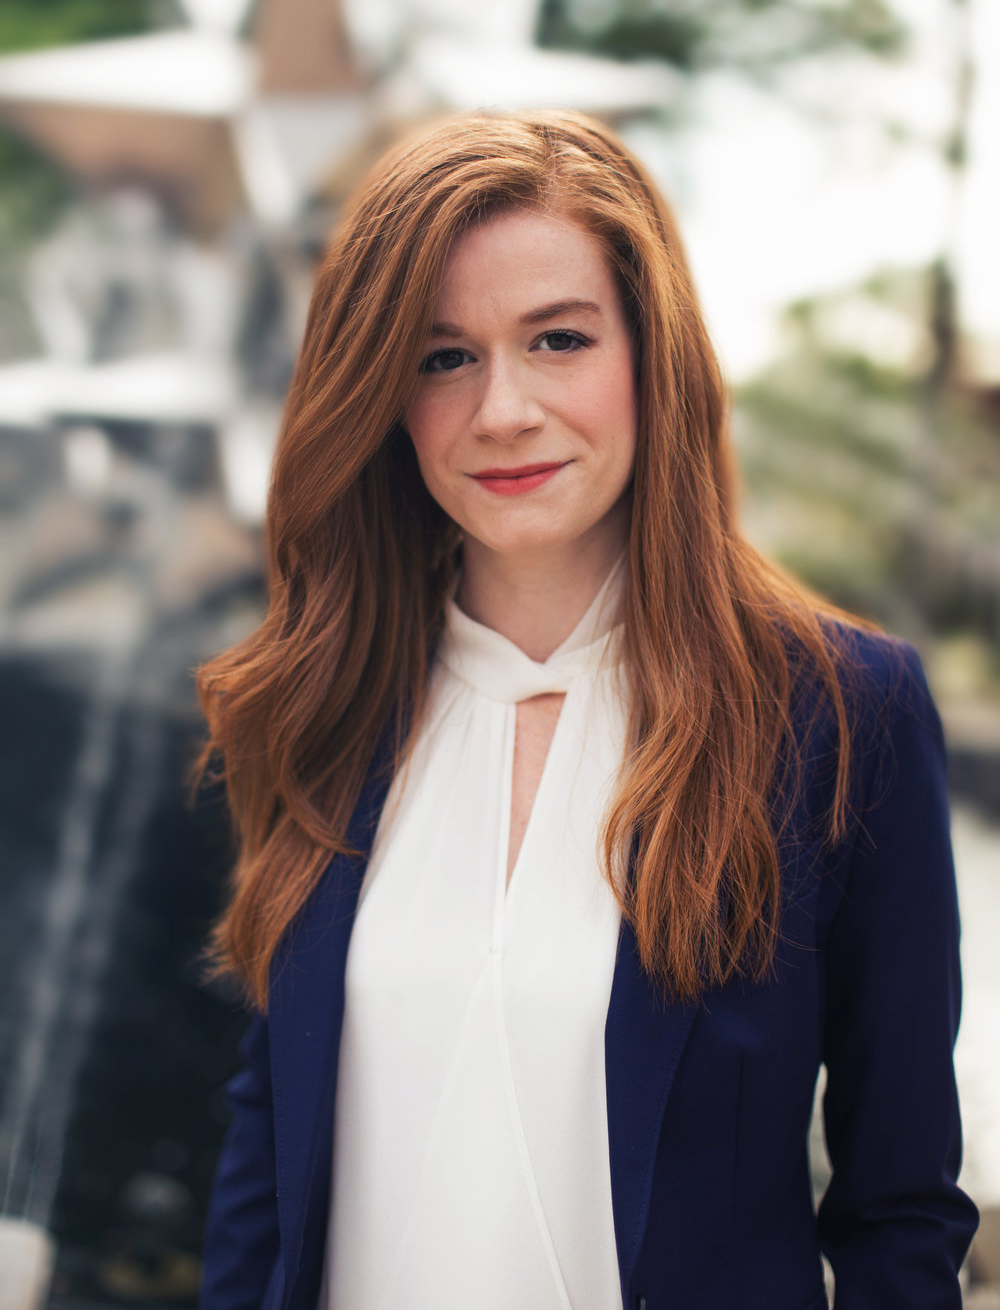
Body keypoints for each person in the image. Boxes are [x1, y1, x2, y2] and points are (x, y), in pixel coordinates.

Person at [195, 110, 978, 1310]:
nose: (501, 409)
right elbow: (270, 1141)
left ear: (649, 353)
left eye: (557, 339)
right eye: (441, 356)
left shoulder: (838, 714)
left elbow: (897, 1206)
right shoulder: (326, 697)